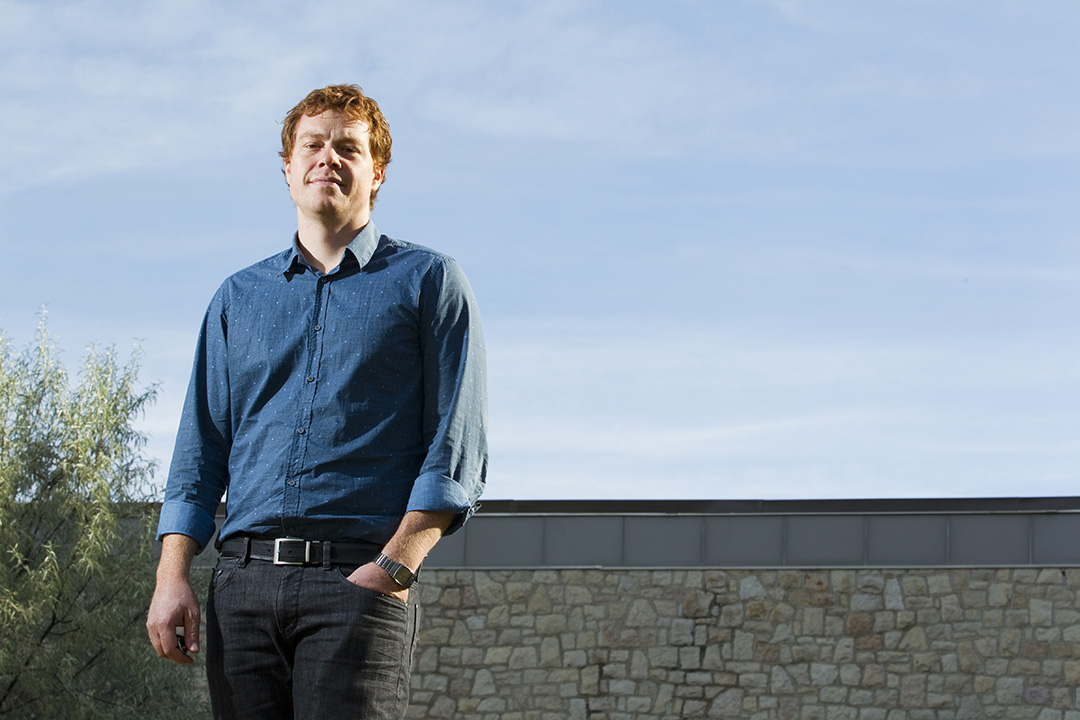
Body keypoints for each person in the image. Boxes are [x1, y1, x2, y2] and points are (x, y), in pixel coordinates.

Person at [146, 84, 488, 720]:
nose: (327, 157)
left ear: (376, 173)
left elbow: (457, 449)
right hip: (240, 591)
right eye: (313, 143)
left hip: (355, 586)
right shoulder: (236, 298)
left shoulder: (430, 283)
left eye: (348, 147)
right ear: (287, 166)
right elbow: (199, 453)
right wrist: (173, 579)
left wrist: (393, 570)